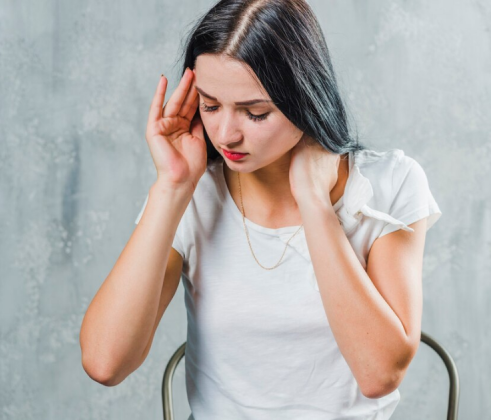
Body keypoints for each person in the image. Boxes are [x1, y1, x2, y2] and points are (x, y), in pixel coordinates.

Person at [81, 1, 442, 419]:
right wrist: (172, 186)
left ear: (305, 96)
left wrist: (313, 200)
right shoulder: (193, 195)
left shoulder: (389, 184)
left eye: (255, 113)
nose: (225, 134)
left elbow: (379, 373)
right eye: (210, 106)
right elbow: (105, 363)